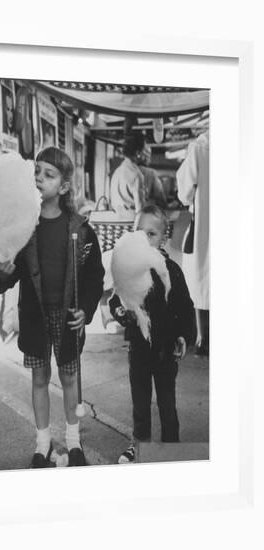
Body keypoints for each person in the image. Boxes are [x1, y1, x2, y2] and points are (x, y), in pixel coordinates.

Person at [0, 147, 104, 468]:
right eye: (36, 172)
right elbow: (2, 279)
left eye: (48, 174)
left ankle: (73, 442)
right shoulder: (23, 228)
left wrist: (85, 309)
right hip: (35, 317)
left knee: (70, 380)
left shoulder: (81, 230)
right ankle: (42, 446)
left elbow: (95, 276)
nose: (39, 178)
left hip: (68, 319)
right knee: (39, 379)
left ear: (64, 187)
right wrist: (2, 270)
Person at [109, 205, 194, 463]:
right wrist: (122, 313)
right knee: (140, 403)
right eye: (138, 232)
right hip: (139, 351)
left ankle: (171, 447)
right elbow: (116, 300)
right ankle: (140, 443)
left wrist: (183, 335)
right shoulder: (129, 270)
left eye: (152, 234)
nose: (144, 240)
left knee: (167, 404)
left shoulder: (172, 271)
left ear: (164, 239)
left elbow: (185, 306)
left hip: (166, 350)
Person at [176, 131, 210, 356]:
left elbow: (185, 192)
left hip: (206, 225)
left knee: (202, 278)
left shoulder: (199, 147)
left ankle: (202, 337)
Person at [109, 132, 147, 213]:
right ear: (138, 153)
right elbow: (140, 210)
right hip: (131, 222)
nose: (145, 154)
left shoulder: (117, 172)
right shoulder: (136, 174)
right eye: (144, 150)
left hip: (116, 220)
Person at [138, 143, 167, 208]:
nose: (150, 159)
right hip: (144, 213)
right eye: (149, 155)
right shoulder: (151, 173)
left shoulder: (122, 170)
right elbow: (160, 197)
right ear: (144, 157)